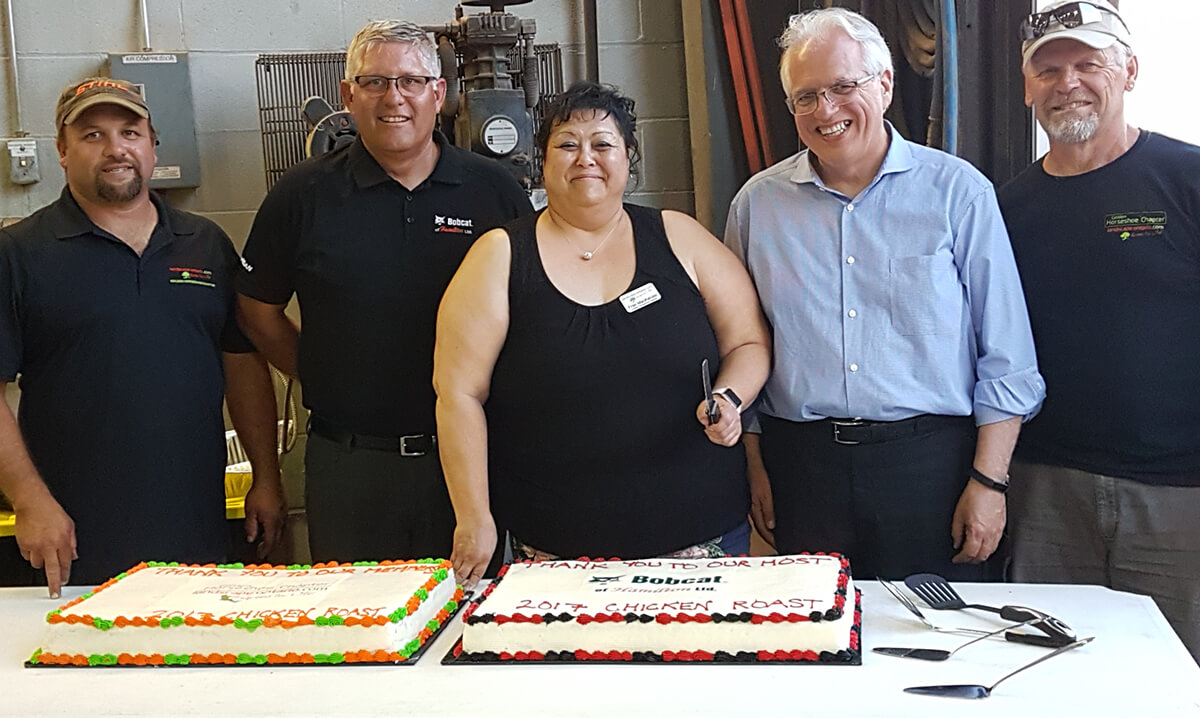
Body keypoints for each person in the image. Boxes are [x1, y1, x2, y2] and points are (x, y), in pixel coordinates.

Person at [725, 8, 1045, 581]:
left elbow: (1008, 356)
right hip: (804, 470)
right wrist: (755, 467)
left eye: (843, 87)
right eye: (806, 96)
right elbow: (743, 344)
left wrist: (989, 481)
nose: (826, 111)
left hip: (931, 470)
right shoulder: (757, 207)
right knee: (815, 650)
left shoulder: (958, 194)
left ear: (885, 83)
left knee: (940, 648)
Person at [435, 82, 771, 585]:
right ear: (541, 162)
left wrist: (730, 397)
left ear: (629, 158)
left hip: (699, 542)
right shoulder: (499, 255)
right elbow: (458, 393)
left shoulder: (679, 237)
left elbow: (749, 342)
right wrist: (474, 515)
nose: (585, 158)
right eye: (567, 144)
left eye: (603, 144)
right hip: (555, 549)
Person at [237, 20, 532, 564]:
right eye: (374, 82)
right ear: (348, 96)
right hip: (349, 466)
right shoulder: (303, 195)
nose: (393, 97)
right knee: (358, 634)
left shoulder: (495, 192)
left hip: (469, 463)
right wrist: (319, 369)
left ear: (439, 94)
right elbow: (257, 310)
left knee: (470, 626)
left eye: (411, 81)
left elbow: (535, 311)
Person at [0, 77, 285, 596]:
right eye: (92, 135)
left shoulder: (204, 243)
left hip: (196, 527)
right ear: (62, 152)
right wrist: (29, 501)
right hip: (73, 537)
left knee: (197, 668)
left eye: (130, 132)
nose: (116, 149)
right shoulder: (19, 254)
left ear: (153, 146)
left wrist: (266, 476)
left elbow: (242, 364)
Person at [997, 0, 1200, 660]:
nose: (1069, 82)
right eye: (1049, 69)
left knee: (1170, 672)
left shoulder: (1187, 179)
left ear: (1131, 71)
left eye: (1089, 63)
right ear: (1027, 86)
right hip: (1044, 489)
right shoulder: (1007, 208)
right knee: (1052, 672)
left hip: (1176, 492)